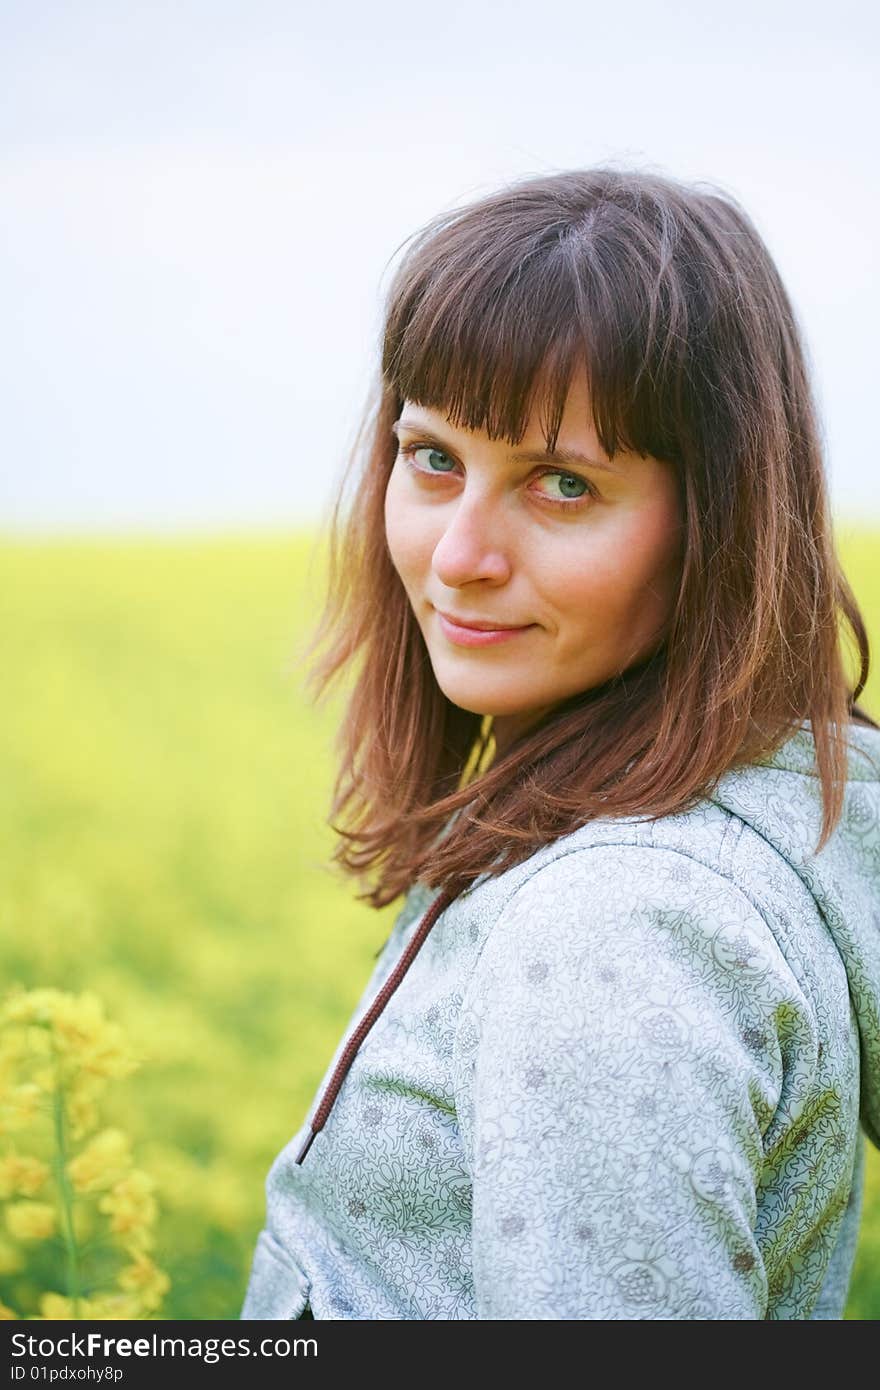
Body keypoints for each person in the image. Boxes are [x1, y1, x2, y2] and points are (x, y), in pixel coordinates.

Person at [240, 166, 880, 1320]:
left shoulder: (619, 928)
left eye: (563, 484)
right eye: (433, 457)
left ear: (716, 527)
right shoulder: (638, 829)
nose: (458, 555)